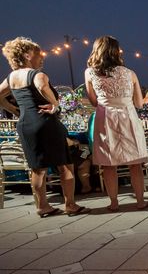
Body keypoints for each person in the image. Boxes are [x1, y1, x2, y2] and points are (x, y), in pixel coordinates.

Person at [0, 37, 87, 217]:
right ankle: (70, 205)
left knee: (37, 169)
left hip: (25, 124)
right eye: (39, 55)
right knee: (64, 166)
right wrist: (55, 104)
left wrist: (14, 110)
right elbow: (41, 86)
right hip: (46, 123)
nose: (42, 59)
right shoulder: (37, 75)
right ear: (27, 55)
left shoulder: (11, 78)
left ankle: (42, 207)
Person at [85, 35, 148, 211]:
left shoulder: (90, 72)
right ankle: (140, 202)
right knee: (134, 162)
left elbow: (93, 101)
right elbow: (139, 104)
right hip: (128, 117)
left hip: (105, 118)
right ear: (116, 51)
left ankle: (114, 203)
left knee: (108, 164)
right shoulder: (130, 73)